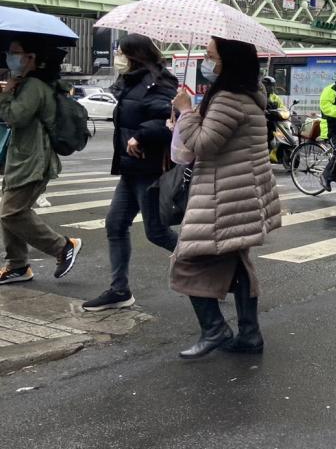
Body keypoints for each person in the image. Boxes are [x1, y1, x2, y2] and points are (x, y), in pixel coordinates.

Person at [169, 37, 281, 359]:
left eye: (210, 56)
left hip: (225, 196)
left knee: (185, 262)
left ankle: (215, 329)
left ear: (227, 60)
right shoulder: (248, 95)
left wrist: (186, 112)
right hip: (244, 193)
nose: (207, 63)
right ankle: (249, 334)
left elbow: (204, 145)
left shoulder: (228, 99)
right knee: (237, 263)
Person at [82, 35, 179, 311]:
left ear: (134, 54)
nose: (117, 56)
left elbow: (170, 120)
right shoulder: (132, 82)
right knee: (115, 224)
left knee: (157, 232)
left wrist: (141, 136)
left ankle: (213, 268)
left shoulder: (158, 82)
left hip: (148, 169)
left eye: (120, 52)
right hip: (131, 168)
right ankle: (119, 289)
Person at [0, 38, 82, 285]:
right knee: (10, 210)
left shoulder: (34, 85)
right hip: (23, 158)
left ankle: (62, 246)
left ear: (31, 57)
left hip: (33, 160)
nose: (10, 57)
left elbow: (15, 117)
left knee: (10, 212)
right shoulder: (29, 83)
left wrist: (5, 95)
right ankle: (17, 265)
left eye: (15, 53)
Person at [262, 75, 287, 154]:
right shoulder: (261, 96)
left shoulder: (276, 97)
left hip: (275, 122)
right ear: (264, 86)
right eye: (270, 86)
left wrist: (285, 111)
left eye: (273, 86)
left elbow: (282, 107)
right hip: (264, 123)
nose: (272, 88)